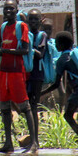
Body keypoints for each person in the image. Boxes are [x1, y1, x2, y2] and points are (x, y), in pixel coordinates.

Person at [0, 0, 35, 153]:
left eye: (11, 9)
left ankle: (34, 143)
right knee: (4, 107)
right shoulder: (3, 27)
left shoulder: (21, 26)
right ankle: (8, 144)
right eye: (5, 9)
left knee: (25, 106)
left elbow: (24, 50)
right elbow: (3, 46)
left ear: (17, 11)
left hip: (16, 71)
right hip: (4, 71)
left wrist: (4, 51)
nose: (8, 11)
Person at [24, 8, 49, 140]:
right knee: (27, 105)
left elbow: (41, 54)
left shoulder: (42, 36)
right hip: (26, 74)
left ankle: (35, 139)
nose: (33, 21)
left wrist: (28, 49)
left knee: (34, 105)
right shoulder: (25, 34)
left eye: (35, 19)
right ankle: (31, 136)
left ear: (40, 21)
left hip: (37, 74)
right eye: (31, 19)